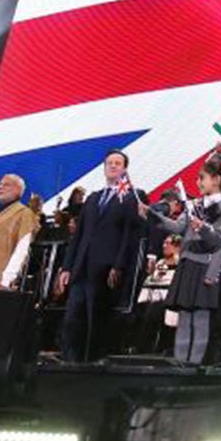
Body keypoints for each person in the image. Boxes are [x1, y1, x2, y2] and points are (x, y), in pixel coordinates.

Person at [53, 149, 146, 362]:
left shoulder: (131, 198)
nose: (112, 166)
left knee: (96, 320)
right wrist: (67, 267)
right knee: (72, 319)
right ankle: (69, 362)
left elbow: (128, 235)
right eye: (109, 163)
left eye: (117, 163)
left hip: (105, 269)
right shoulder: (93, 198)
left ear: (124, 169)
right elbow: (78, 236)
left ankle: (91, 364)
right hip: (81, 268)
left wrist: (119, 265)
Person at [154, 161, 221, 364]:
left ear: (216, 180)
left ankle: (194, 366)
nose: (198, 182)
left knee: (200, 318)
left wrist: (203, 228)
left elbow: (220, 239)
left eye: (202, 178)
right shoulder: (194, 204)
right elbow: (178, 227)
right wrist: (152, 215)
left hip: (206, 264)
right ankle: (180, 365)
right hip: (187, 264)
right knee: (184, 317)